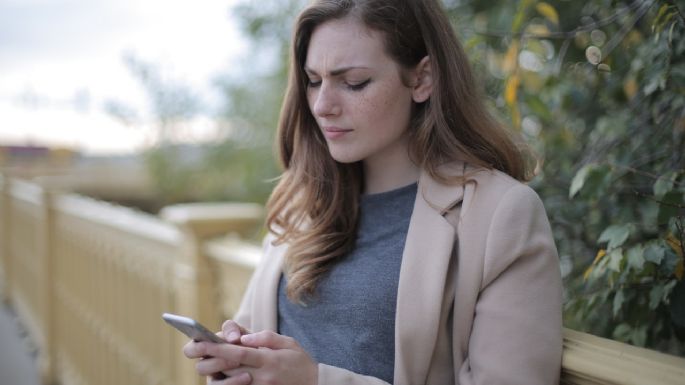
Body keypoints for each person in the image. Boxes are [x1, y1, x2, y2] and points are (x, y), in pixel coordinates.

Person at [183, 0, 563, 384]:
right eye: (313, 80)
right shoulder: (303, 203)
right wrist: (235, 357)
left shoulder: (500, 214)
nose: (322, 105)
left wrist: (315, 381)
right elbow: (259, 342)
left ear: (422, 79)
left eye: (353, 83)